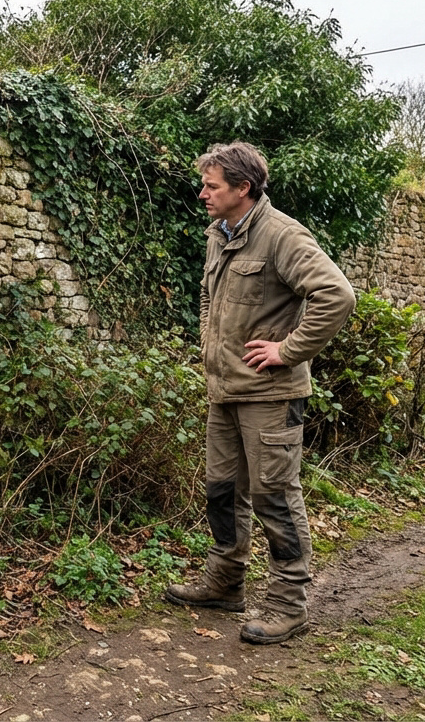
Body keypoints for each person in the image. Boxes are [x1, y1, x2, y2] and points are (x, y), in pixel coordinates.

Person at [164, 141, 356, 644]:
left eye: (212, 186)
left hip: (271, 396)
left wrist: (287, 350)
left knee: (274, 498)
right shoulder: (218, 234)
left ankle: (288, 605)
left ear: (242, 188)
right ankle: (225, 583)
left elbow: (336, 295)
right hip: (223, 390)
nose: (202, 193)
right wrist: (209, 342)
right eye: (204, 184)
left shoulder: (281, 235)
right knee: (222, 491)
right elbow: (209, 296)